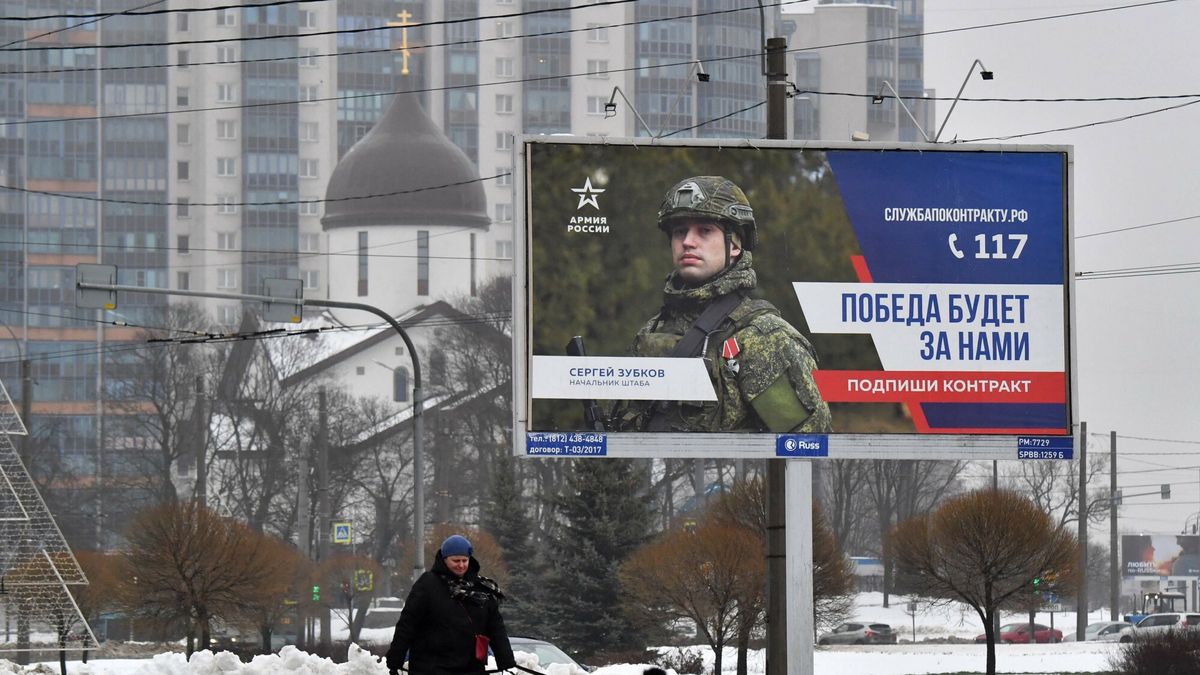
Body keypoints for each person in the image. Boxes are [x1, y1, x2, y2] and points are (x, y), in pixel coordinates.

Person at [610, 176, 832, 434]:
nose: (688, 242)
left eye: (704, 230)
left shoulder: (762, 339)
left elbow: (804, 448)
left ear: (735, 244)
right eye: (679, 231)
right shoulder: (652, 330)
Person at [386, 534, 515, 675]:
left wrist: (505, 659)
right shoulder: (427, 584)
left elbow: (495, 626)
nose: (461, 565)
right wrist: (395, 659)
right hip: (431, 667)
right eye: (456, 560)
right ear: (444, 559)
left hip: (471, 667)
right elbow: (408, 623)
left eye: (465, 560)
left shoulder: (481, 588)